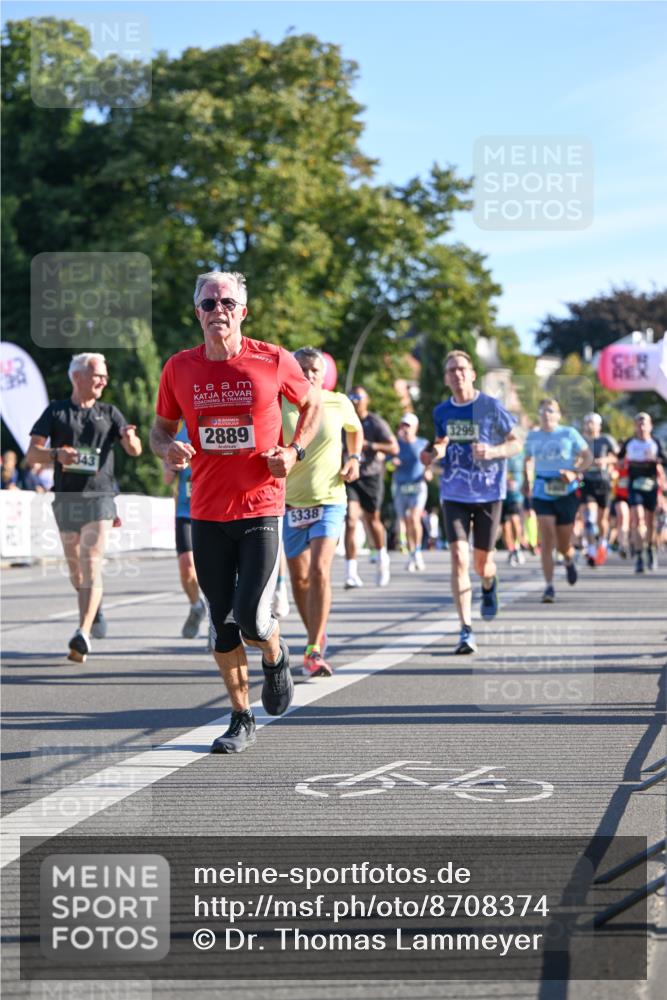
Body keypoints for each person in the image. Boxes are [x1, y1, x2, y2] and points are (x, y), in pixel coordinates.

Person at [150, 270, 321, 755]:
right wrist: (168, 450)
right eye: (208, 303)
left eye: (226, 302)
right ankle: (241, 717)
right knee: (221, 621)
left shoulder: (272, 359)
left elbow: (312, 407)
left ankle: (275, 651)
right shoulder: (179, 368)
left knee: (250, 616)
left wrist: (293, 452)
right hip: (206, 510)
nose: (217, 310)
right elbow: (161, 429)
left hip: (261, 505)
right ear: (197, 312)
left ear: (242, 311)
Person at [26, 352, 142, 661]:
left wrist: (130, 438)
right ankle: (94, 606)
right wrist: (55, 455)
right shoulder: (56, 412)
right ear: (78, 377)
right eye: (98, 375)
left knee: (91, 559)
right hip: (65, 498)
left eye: (105, 375)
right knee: (76, 567)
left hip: (100, 496)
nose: (104, 380)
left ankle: (83, 633)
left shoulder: (110, 411)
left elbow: (135, 449)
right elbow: (32, 455)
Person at [421, 350, 521, 654]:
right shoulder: (442, 412)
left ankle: (489, 584)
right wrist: (434, 453)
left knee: (482, 564)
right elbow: (441, 443)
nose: (457, 374)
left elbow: (516, 443)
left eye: (462, 369)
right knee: (458, 558)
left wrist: (492, 452)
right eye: (451, 370)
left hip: (489, 492)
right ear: (446, 378)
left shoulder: (490, 406)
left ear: (472, 373)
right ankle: (465, 629)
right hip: (454, 492)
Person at [282, 347, 363, 676]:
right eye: (302, 368)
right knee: (299, 580)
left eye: (315, 369)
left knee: (319, 570)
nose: (309, 374)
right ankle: (315, 631)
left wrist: (354, 459)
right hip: (290, 502)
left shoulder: (338, 402)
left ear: (324, 373)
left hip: (330, 498)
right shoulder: (280, 402)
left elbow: (355, 431)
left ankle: (314, 649)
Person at [523, 398, 593, 603]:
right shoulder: (533, 436)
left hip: (566, 491)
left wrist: (574, 472)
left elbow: (588, 457)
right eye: (543, 410)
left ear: (558, 415)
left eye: (551, 411)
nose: (546, 414)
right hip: (542, 490)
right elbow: (527, 459)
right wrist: (527, 480)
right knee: (547, 539)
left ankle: (569, 558)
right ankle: (549, 586)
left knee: (563, 543)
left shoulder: (569, 433)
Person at [344, 386, 398, 588]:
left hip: (371, 476)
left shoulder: (375, 423)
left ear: (367, 400)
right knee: (351, 520)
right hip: (351, 476)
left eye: (358, 397)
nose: (355, 401)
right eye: (351, 397)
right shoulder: (344, 421)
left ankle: (383, 557)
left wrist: (371, 445)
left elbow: (394, 447)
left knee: (372, 520)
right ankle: (351, 572)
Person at [162, 422, 208, 640]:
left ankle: (218, 625)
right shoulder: (179, 428)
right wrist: (171, 464)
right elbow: (167, 478)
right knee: (187, 566)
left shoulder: (216, 421)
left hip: (212, 510)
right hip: (185, 511)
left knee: (214, 570)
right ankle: (196, 606)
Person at [618, 412, 667, 573]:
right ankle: (639, 557)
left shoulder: (655, 443)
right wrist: (625, 463)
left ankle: (650, 549)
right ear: (635, 426)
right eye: (639, 423)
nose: (641, 426)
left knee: (651, 522)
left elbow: (664, 460)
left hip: (651, 486)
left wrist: (655, 460)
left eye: (644, 423)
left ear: (650, 426)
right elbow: (619, 459)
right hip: (635, 485)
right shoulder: (629, 443)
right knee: (638, 520)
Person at [579, 412, 618, 568]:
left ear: (598, 425)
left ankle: (602, 542)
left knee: (602, 520)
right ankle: (591, 550)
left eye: (592, 422)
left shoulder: (606, 440)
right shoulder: (580, 441)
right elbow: (574, 458)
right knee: (589, 519)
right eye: (587, 422)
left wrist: (606, 460)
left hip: (603, 483)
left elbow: (618, 457)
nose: (589, 425)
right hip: (586, 482)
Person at [391, 412, 429, 571]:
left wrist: (428, 470)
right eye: (403, 425)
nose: (405, 428)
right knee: (405, 522)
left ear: (415, 428)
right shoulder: (396, 444)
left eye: (408, 426)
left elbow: (430, 461)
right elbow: (387, 462)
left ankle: (418, 551)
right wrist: (392, 462)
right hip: (400, 486)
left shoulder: (423, 443)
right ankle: (412, 554)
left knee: (414, 518)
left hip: (418, 486)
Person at [502, 450, 525, 566]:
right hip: (500, 494)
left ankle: (517, 547)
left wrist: (528, 484)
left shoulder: (520, 452)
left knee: (515, 520)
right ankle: (511, 550)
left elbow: (528, 466)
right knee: (505, 525)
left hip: (516, 494)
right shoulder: (498, 449)